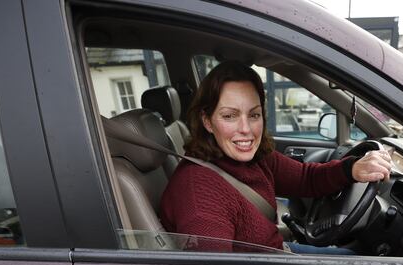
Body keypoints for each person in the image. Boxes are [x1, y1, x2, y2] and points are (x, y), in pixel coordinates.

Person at [159, 60, 391, 253]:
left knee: (352, 257)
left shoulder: (255, 158)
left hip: (276, 254)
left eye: (254, 114)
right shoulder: (200, 196)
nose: (246, 129)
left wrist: (352, 169)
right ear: (207, 121)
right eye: (230, 116)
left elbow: (305, 178)